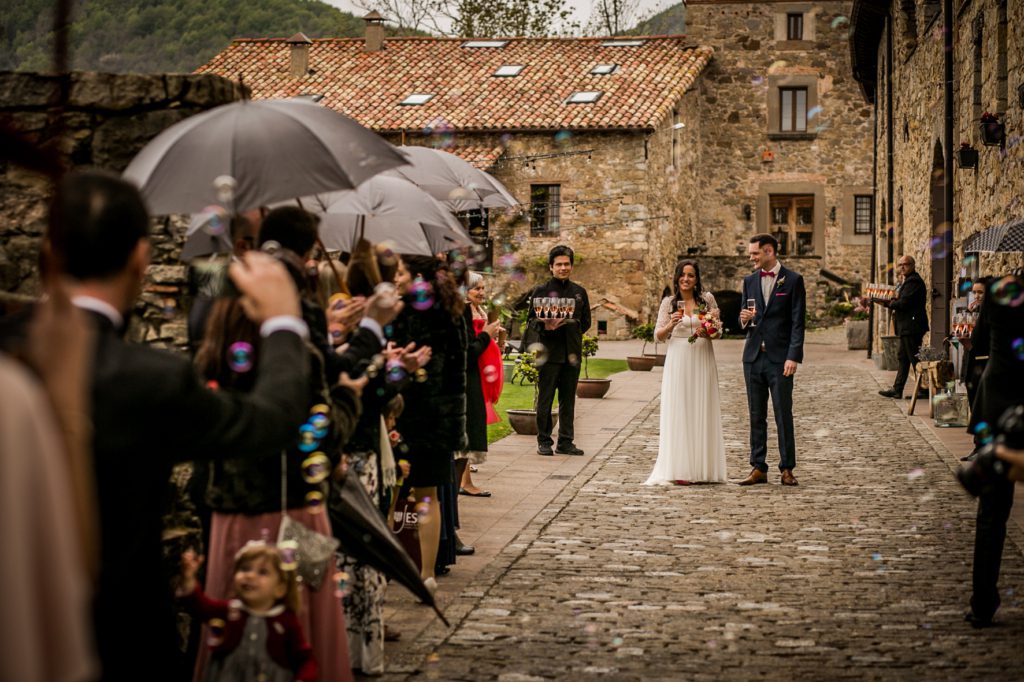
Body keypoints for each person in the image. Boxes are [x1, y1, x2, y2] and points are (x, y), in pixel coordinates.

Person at [0, 170, 314, 682]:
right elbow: (269, 422)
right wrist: (283, 322)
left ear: (48, 253)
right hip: (123, 640)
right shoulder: (152, 380)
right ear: (141, 259)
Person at [388, 255, 468, 591]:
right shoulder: (453, 310)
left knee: (390, 493)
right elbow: (459, 368)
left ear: (417, 277)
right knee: (428, 497)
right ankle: (427, 574)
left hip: (404, 412)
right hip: (440, 418)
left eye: (400, 272)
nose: (395, 278)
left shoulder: (402, 312)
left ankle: (387, 567)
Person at [964, 273, 1024, 628]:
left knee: (991, 515)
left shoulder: (1002, 293)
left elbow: (980, 341)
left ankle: (983, 602)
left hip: (998, 408)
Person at [178, 544, 317, 682]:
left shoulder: (286, 620)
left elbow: (304, 658)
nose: (249, 575)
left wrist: (303, 679)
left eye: (262, 572)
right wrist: (189, 580)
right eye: (244, 569)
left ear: (280, 589)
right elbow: (201, 608)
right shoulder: (230, 610)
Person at [644, 260, 727, 485]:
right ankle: (680, 469)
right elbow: (657, 336)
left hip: (702, 356)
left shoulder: (706, 300)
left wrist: (710, 329)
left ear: (697, 278)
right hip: (678, 358)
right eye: (682, 275)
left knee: (702, 406)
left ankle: (703, 469)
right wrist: (671, 325)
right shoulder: (669, 303)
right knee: (680, 408)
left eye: (691, 275)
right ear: (677, 277)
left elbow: (718, 332)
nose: (686, 279)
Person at [738, 234, 806, 486]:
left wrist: (793, 356)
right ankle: (758, 467)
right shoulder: (749, 281)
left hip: (780, 360)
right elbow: (743, 320)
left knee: (782, 414)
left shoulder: (793, 281)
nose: (751, 258)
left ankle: (787, 468)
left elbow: (798, 323)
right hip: (753, 357)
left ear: (769, 251)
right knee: (756, 414)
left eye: (755, 253)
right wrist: (744, 317)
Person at [524, 245, 591, 456]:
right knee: (545, 398)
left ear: (571, 266)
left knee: (568, 399)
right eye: (559, 264)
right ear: (551, 267)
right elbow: (530, 322)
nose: (563, 268)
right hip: (548, 352)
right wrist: (545, 324)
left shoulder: (579, 293)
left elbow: (586, 322)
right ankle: (544, 441)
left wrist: (571, 325)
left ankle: (565, 441)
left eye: (567, 264)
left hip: (572, 352)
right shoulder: (540, 292)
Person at [458, 271, 504, 497]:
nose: (481, 292)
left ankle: (465, 480)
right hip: (470, 373)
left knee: (473, 424)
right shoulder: (464, 311)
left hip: (480, 373)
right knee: (469, 426)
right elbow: (470, 348)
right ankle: (464, 482)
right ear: (465, 291)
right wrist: (487, 335)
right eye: (477, 288)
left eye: (483, 288)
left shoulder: (477, 310)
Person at [874, 255, 929, 399]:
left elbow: (903, 303)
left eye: (905, 264)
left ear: (912, 265)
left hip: (912, 326)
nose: (902, 267)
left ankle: (924, 389)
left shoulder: (914, 282)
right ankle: (897, 389)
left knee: (914, 359)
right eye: (900, 265)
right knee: (903, 358)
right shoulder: (908, 281)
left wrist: (887, 303)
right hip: (907, 326)